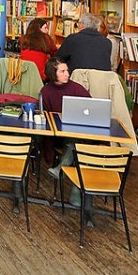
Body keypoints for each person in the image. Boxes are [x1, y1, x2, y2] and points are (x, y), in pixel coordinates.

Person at [40, 58, 91, 206]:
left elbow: (91, 107)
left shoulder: (77, 88)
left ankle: (61, 167)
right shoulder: (46, 91)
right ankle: (75, 193)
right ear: (52, 73)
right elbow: (45, 118)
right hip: (58, 136)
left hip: (80, 133)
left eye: (67, 70)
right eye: (62, 71)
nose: (67, 74)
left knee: (77, 143)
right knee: (77, 146)